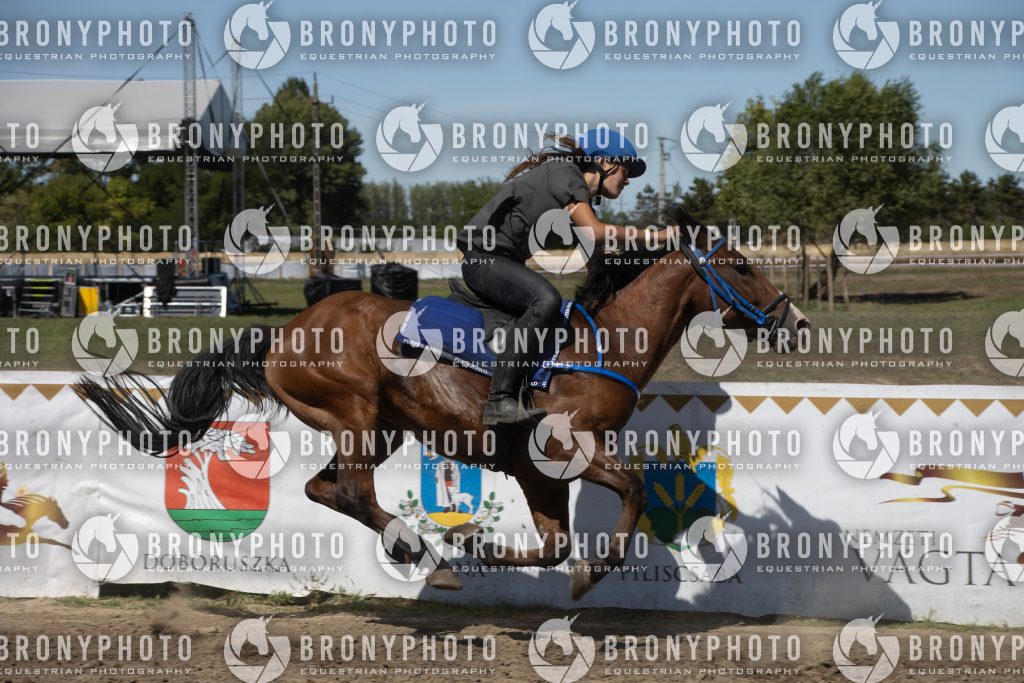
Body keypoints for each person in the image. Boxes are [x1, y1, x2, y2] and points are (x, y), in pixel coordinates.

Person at [458, 130, 675, 426]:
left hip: (500, 261)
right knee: (547, 299)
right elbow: (595, 231)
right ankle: (499, 399)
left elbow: (597, 262)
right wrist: (657, 237)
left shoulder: (575, 196)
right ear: (604, 162)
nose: (628, 181)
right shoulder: (565, 173)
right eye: (626, 171)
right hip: (484, 261)